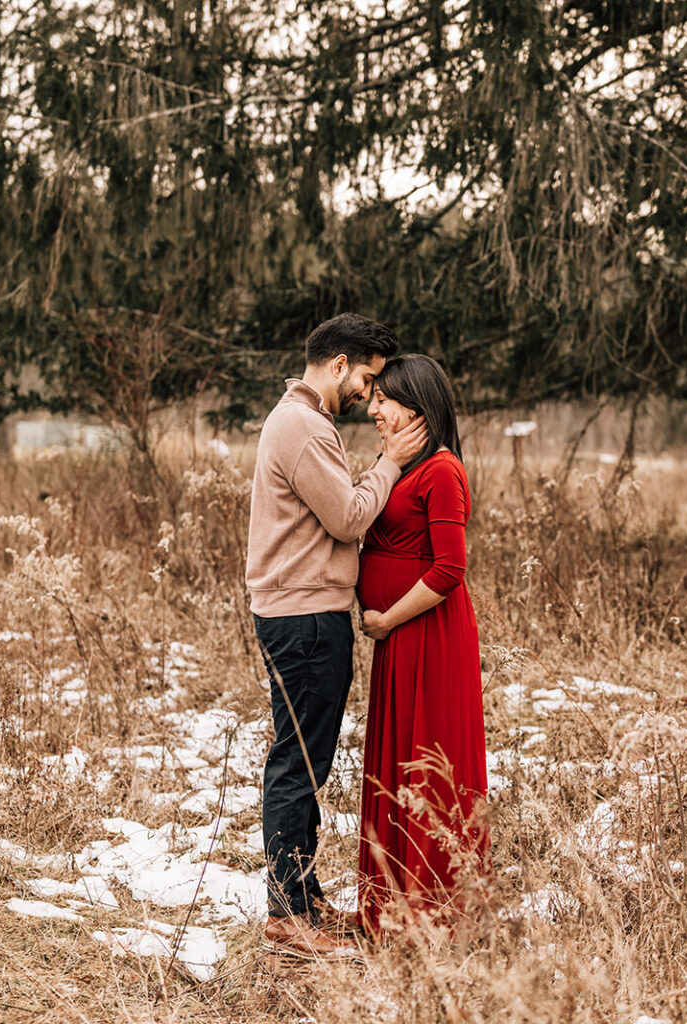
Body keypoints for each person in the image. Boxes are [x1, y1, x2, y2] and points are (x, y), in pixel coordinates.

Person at [246, 313, 428, 959]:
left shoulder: (302, 422)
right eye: (369, 379)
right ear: (339, 363)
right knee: (298, 764)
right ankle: (287, 916)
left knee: (305, 760)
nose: (369, 395)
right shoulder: (301, 426)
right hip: (304, 617)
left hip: (300, 612)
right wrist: (390, 462)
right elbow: (349, 517)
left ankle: (304, 898)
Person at [356, 354, 488, 937]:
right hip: (398, 636)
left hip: (428, 634)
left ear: (416, 406)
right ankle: (390, 905)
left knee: (430, 760)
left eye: (383, 399)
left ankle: (436, 910)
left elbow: (449, 569)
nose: (374, 410)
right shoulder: (402, 466)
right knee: (396, 759)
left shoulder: (441, 471)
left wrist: (387, 618)